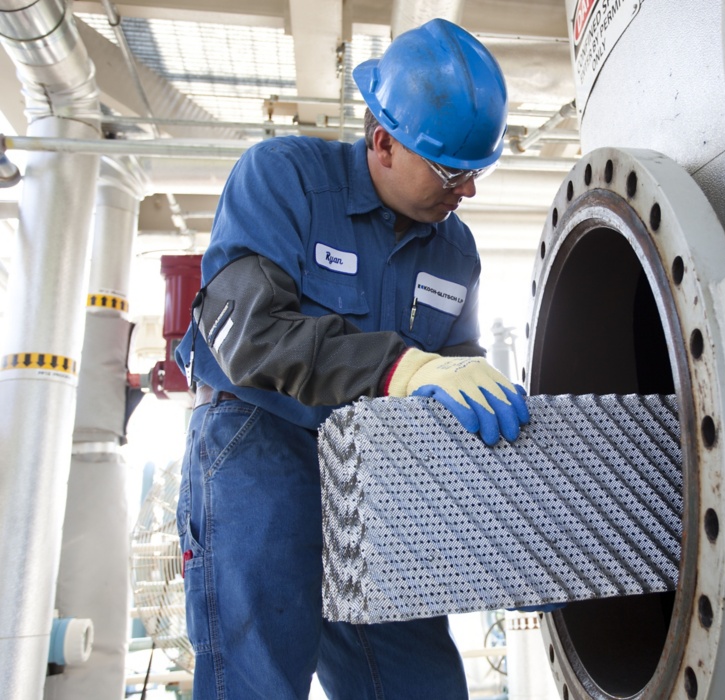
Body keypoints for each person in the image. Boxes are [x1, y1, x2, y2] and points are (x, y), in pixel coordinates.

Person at [174, 18, 530, 700]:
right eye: (454, 171)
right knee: (259, 677)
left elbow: (455, 374)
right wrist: (402, 367)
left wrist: (509, 526)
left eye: (481, 171)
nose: (470, 192)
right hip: (260, 448)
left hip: (379, 471)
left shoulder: (456, 251)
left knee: (415, 683)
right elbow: (249, 336)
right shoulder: (283, 180)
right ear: (383, 143)